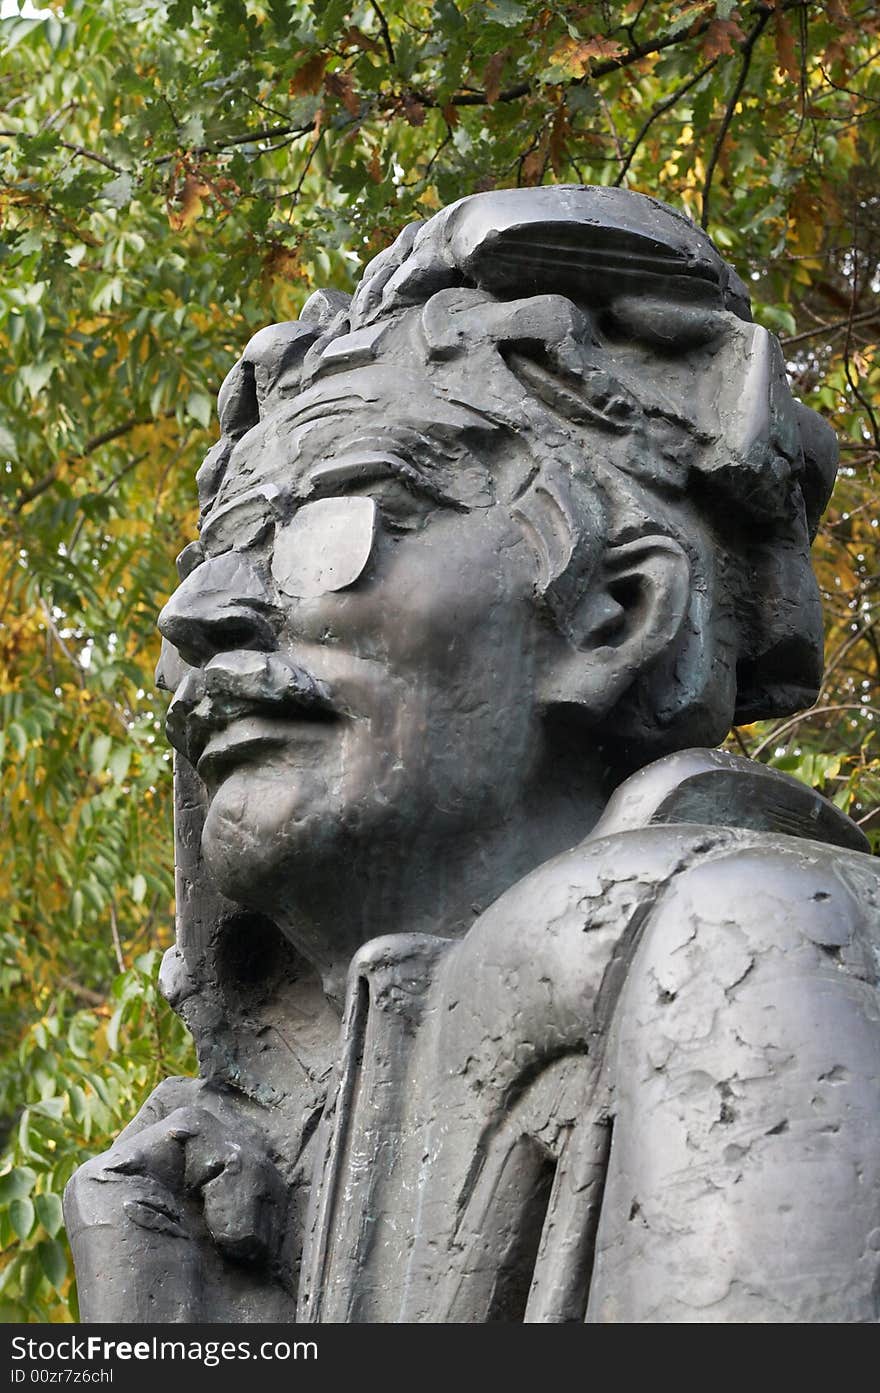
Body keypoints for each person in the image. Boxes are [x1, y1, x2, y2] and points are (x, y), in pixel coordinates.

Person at [64, 186, 880, 1323]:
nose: (199, 614)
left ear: (617, 611)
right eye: (220, 550)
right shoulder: (259, 1180)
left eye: (327, 527)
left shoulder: (743, 937)